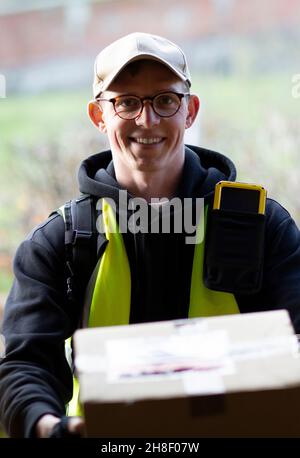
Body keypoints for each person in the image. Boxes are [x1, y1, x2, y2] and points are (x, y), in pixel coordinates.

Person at [1, 31, 300, 439]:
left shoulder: (264, 228)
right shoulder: (61, 243)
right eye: (126, 102)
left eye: (165, 100)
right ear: (98, 116)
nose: (147, 120)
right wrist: (53, 429)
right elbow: (25, 366)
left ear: (190, 110)